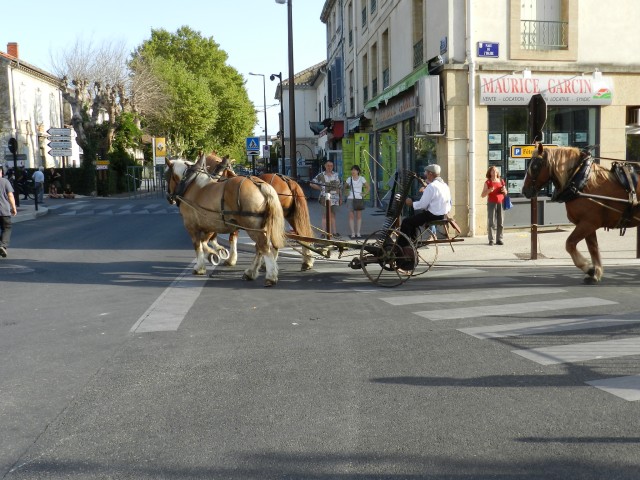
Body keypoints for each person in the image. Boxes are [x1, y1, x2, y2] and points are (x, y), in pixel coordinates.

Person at [400, 164, 451, 245]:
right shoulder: (445, 185)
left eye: (426, 173)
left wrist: (411, 203)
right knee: (413, 221)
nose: (425, 175)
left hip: (432, 215)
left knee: (406, 222)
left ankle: (403, 246)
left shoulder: (432, 186)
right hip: (442, 214)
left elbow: (422, 205)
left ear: (430, 173)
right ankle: (412, 243)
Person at [310, 160, 342, 237]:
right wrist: (320, 188)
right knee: (324, 215)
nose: (329, 167)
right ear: (325, 166)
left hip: (334, 198)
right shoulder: (321, 175)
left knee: (333, 215)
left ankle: (334, 232)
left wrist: (340, 198)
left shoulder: (336, 175)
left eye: (331, 166)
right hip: (324, 198)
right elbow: (311, 183)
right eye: (328, 165)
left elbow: (339, 187)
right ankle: (323, 232)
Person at [481, 166, 507, 245]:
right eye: (493, 171)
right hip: (491, 203)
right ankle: (491, 240)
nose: (494, 173)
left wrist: (504, 191)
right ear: (490, 172)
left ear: (498, 173)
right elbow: (482, 195)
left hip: (501, 202)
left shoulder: (501, 181)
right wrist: (489, 190)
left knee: (500, 222)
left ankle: (499, 239)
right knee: (491, 222)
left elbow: (506, 193)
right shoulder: (488, 182)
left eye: (496, 171)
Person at [345, 165, 369, 239]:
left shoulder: (362, 178)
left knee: (359, 216)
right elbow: (344, 187)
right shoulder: (349, 179)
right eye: (352, 170)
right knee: (351, 216)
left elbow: (368, 187)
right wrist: (346, 192)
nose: (353, 171)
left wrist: (364, 193)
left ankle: (358, 232)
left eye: (354, 170)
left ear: (358, 171)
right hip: (350, 198)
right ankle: (352, 232)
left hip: (359, 198)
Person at [0, 167, 18, 258]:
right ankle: (3, 245)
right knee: (6, 228)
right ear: (1, 172)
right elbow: (10, 195)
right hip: (4, 210)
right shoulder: (5, 181)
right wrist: (14, 207)